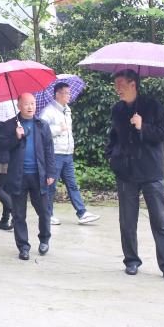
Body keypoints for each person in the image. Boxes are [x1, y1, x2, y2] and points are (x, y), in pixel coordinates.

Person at [106, 69, 164, 281]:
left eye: (121, 84)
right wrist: (111, 156)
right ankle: (131, 260)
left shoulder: (153, 106)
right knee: (127, 221)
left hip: (151, 172)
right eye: (116, 85)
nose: (117, 88)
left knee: (160, 221)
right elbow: (113, 136)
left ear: (133, 84)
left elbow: (163, 134)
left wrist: (143, 126)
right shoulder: (117, 109)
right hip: (126, 171)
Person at [0, 93, 56, 260]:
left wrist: (51, 172)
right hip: (18, 175)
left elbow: (49, 149)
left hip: (39, 175)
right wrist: (17, 137)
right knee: (19, 214)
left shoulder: (42, 125)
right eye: (26, 104)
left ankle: (44, 239)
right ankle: (23, 247)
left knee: (44, 211)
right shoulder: (10, 125)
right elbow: (1, 145)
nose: (30, 107)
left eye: (32, 103)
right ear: (19, 106)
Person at [39, 82, 100, 226]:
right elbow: (40, 131)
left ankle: (82, 213)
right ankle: (48, 215)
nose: (69, 96)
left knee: (73, 185)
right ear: (57, 94)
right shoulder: (48, 111)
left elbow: (68, 131)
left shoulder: (67, 110)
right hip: (54, 154)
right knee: (51, 186)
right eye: (66, 93)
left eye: (69, 93)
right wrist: (58, 129)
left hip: (67, 154)